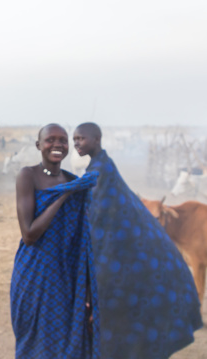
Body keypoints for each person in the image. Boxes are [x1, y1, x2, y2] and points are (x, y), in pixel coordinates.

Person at [73, 122, 202, 359]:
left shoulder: (100, 172)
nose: (77, 143)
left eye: (82, 138)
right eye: (75, 139)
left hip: (114, 258)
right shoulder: (101, 166)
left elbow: (97, 218)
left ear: (97, 139)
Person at [10, 123, 100, 359]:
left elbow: (85, 242)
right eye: (51, 139)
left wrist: (89, 293)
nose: (57, 144)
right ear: (39, 145)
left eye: (63, 140)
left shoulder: (74, 182)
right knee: (32, 342)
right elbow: (29, 235)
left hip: (67, 276)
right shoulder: (27, 176)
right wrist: (64, 194)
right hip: (34, 274)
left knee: (66, 342)